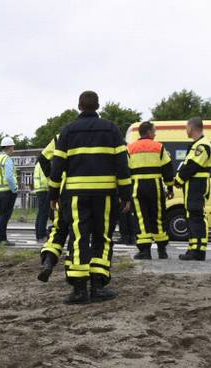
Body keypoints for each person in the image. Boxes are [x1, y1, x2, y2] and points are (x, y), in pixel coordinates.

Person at [48, 91, 132, 304]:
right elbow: (122, 165)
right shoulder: (112, 129)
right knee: (102, 238)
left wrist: (53, 194)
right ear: (98, 106)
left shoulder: (67, 131)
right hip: (105, 195)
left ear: (79, 106)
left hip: (76, 194)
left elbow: (57, 166)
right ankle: (98, 287)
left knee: (79, 238)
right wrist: (126, 195)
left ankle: (79, 290)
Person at [128, 121, 175, 259]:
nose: (155, 134)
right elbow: (167, 168)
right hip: (155, 186)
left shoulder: (130, 148)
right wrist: (170, 187)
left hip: (137, 187)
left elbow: (125, 171)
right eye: (154, 131)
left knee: (142, 218)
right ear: (148, 132)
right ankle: (162, 250)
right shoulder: (159, 147)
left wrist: (124, 192)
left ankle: (145, 251)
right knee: (158, 218)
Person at [175, 117, 211, 261]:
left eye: (186, 127)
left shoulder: (202, 146)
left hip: (197, 186)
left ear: (191, 128)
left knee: (197, 216)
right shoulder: (197, 144)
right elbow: (187, 165)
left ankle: (199, 250)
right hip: (193, 186)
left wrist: (178, 180)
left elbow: (191, 166)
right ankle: (193, 248)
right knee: (191, 217)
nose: (186, 130)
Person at [38, 137, 70, 282]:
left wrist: (52, 181)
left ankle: (48, 261)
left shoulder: (61, 136)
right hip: (90, 191)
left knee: (58, 229)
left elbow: (43, 158)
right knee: (80, 232)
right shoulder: (103, 133)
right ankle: (73, 270)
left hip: (64, 190)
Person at [0, 137, 18, 246]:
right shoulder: (7, 159)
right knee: (5, 216)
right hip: (7, 191)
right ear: (9, 147)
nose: (13, 149)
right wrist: (14, 189)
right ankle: (2, 239)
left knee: (1, 215)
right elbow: (9, 177)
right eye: (13, 146)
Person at [33, 153, 51, 240]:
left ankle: (38, 234)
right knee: (44, 213)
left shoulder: (37, 164)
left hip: (39, 189)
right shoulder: (43, 164)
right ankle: (42, 234)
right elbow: (47, 177)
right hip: (44, 189)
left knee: (41, 213)